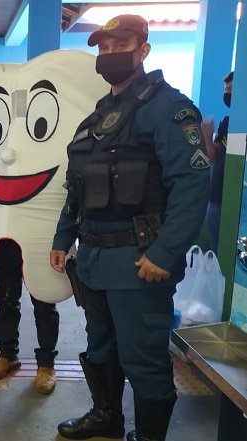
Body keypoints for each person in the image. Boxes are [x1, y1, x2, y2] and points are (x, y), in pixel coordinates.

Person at [49, 15, 210, 441]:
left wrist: (165, 253)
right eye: (103, 48)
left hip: (139, 261)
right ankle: (106, 417)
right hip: (93, 260)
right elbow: (77, 186)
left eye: (120, 46)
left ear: (143, 50)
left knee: (143, 357)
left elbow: (191, 185)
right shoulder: (98, 117)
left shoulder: (169, 109)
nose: (109, 54)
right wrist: (63, 237)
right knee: (100, 346)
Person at [0, 239, 60, 395]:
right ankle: (8, 356)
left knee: (44, 302)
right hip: (6, 240)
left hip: (39, 240)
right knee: (6, 301)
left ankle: (46, 365)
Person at [202, 71, 233, 253]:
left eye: (231, 90)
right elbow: (211, 156)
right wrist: (206, 135)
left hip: (235, 200)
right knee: (216, 252)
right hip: (216, 197)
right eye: (226, 90)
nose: (227, 94)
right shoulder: (226, 122)